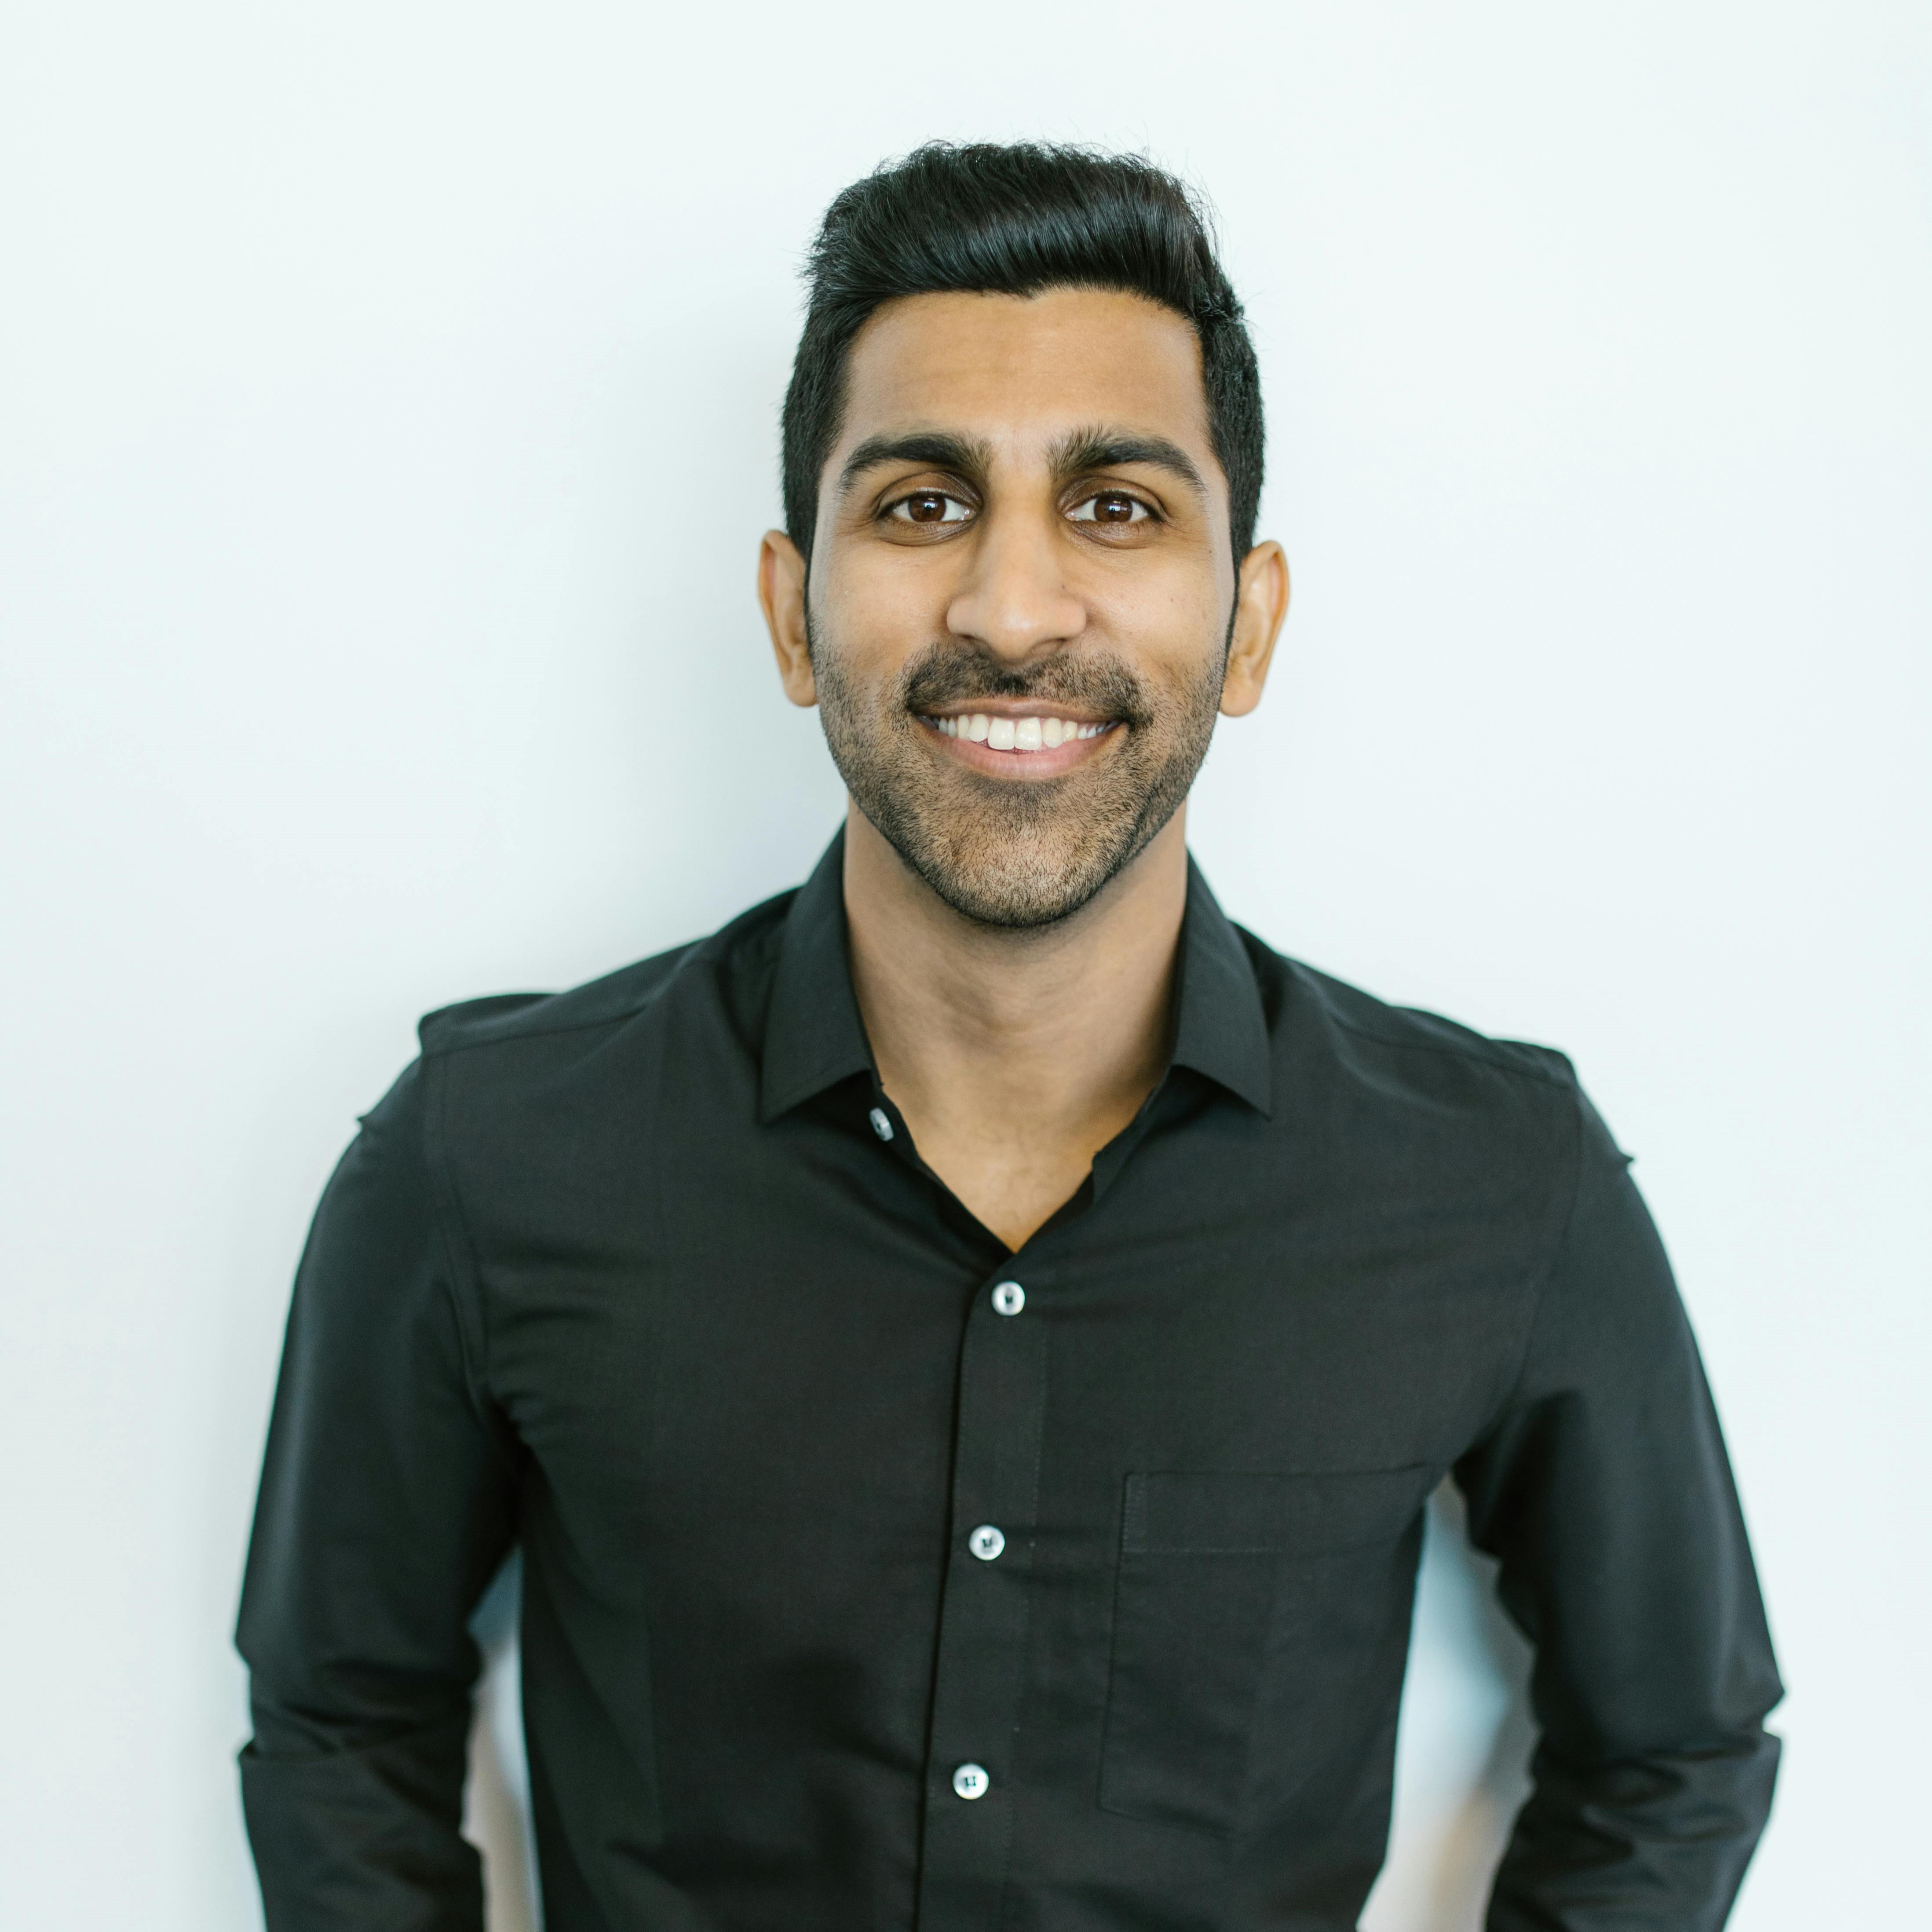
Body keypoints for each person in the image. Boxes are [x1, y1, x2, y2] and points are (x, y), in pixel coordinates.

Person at [236, 142, 1781, 1931]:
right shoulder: (491, 1151)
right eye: (919, 504)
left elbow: (1676, 1742)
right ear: (791, 612)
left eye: (1116, 506)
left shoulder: (1493, 1177)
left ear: (1249, 624)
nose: (1012, 607)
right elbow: (341, 1716)